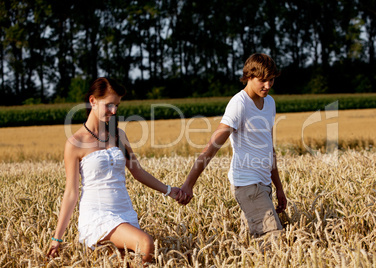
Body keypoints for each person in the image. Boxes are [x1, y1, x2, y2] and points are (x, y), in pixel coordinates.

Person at [47, 77, 183, 263]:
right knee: (146, 244)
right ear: (93, 101)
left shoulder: (119, 136)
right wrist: (57, 238)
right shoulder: (75, 143)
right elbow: (71, 193)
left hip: (124, 213)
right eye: (109, 105)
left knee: (124, 262)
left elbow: (138, 172)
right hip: (97, 215)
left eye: (117, 105)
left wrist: (169, 191)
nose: (114, 111)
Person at [178, 53, 287, 237]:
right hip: (247, 184)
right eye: (262, 80)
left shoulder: (269, 103)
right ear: (249, 77)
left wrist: (279, 188)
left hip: (264, 183)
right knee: (273, 239)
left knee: (251, 245)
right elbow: (212, 146)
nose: (268, 85)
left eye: (271, 80)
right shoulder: (239, 104)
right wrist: (189, 184)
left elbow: (269, 148)